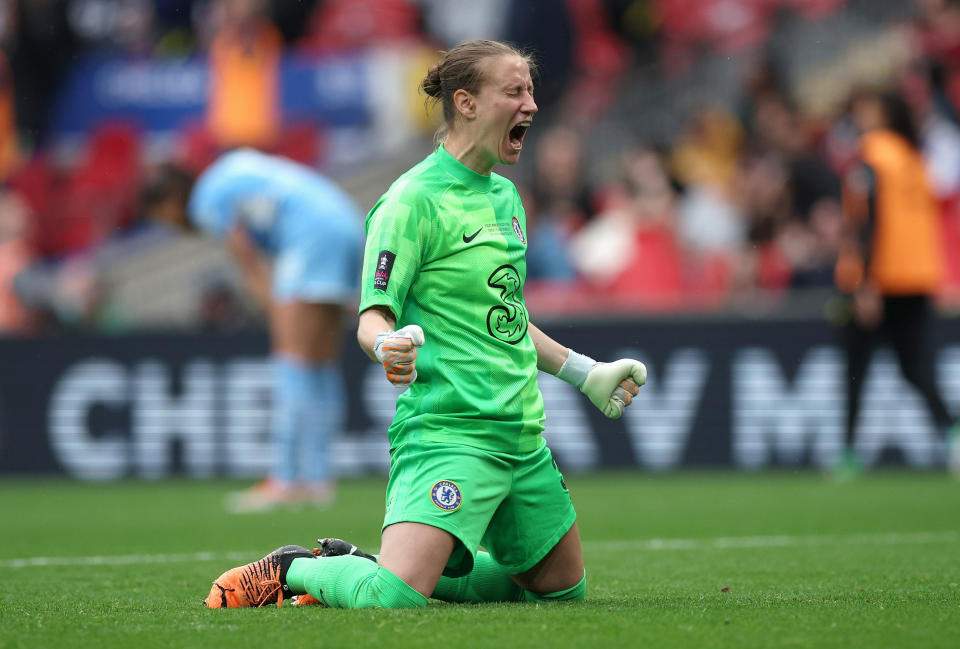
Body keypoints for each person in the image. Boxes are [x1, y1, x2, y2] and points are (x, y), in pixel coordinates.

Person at [202, 39, 647, 610]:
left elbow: (505, 322)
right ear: (465, 103)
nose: (531, 105)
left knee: (562, 590)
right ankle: (302, 571)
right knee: (394, 598)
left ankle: (378, 562)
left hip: (522, 435)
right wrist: (385, 344)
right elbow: (373, 315)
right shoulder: (409, 202)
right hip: (448, 433)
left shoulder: (508, 198)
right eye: (514, 92)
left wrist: (586, 374)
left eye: (531, 91)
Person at [142, 149, 363, 510]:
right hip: (344, 225)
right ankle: (319, 480)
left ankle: (287, 479)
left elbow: (249, 263)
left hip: (310, 239)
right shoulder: (224, 174)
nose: (168, 225)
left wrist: (275, 310)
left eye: (161, 216)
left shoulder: (204, 201)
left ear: (170, 199)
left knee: (291, 363)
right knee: (321, 363)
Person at [834, 89, 959, 478]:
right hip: (918, 276)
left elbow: (871, 221)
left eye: (865, 108)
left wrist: (867, 281)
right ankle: (954, 435)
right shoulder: (914, 158)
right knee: (915, 368)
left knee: (856, 367)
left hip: (879, 278)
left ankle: (849, 456)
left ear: (883, 114)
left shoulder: (873, 154)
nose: (859, 117)